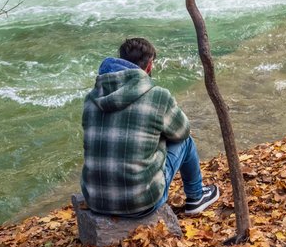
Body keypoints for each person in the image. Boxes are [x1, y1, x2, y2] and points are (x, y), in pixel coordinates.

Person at [81, 37, 220, 218]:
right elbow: (183, 131)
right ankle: (196, 196)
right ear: (149, 65)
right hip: (142, 203)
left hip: (95, 200)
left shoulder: (91, 99)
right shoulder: (157, 96)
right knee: (185, 141)